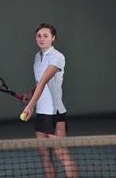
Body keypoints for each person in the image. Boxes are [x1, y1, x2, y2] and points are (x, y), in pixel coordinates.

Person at [21, 23, 78, 178]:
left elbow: (44, 81)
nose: (42, 39)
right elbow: (40, 82)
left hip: (55, 113)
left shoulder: (57, 57)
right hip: (41, 112)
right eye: (39, 35)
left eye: (46, 36)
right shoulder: (37, 57)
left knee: (61, 154)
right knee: (45, 157)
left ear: (53, 38)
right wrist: (30, 94)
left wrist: (30, 105)